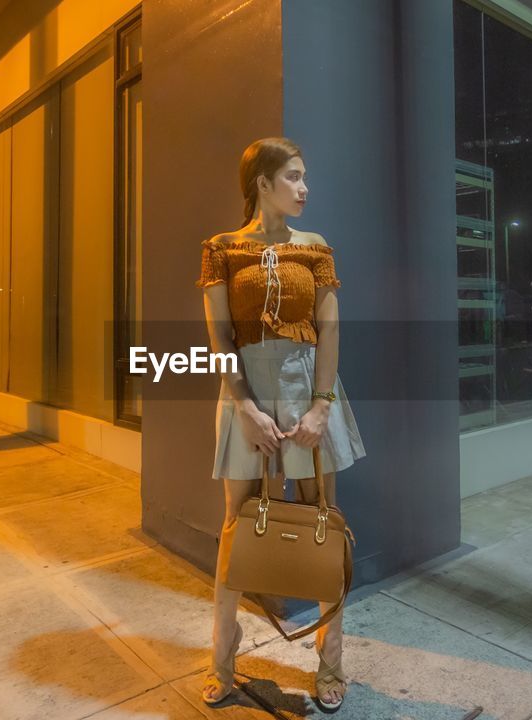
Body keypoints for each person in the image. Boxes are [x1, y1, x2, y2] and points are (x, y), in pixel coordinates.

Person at [197, 137, 367, 712]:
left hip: (306, 387)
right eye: (293, 177)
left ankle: (331, 662)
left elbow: (331, 330)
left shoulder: (315, 247)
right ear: (262, 183)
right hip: (243, 390)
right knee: (234, 528)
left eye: (304, 177)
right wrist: (242, 404)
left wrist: (322, 405)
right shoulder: (221, 249)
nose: (304, 188)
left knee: (326, 524)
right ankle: (223, 655)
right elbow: (219, 339)